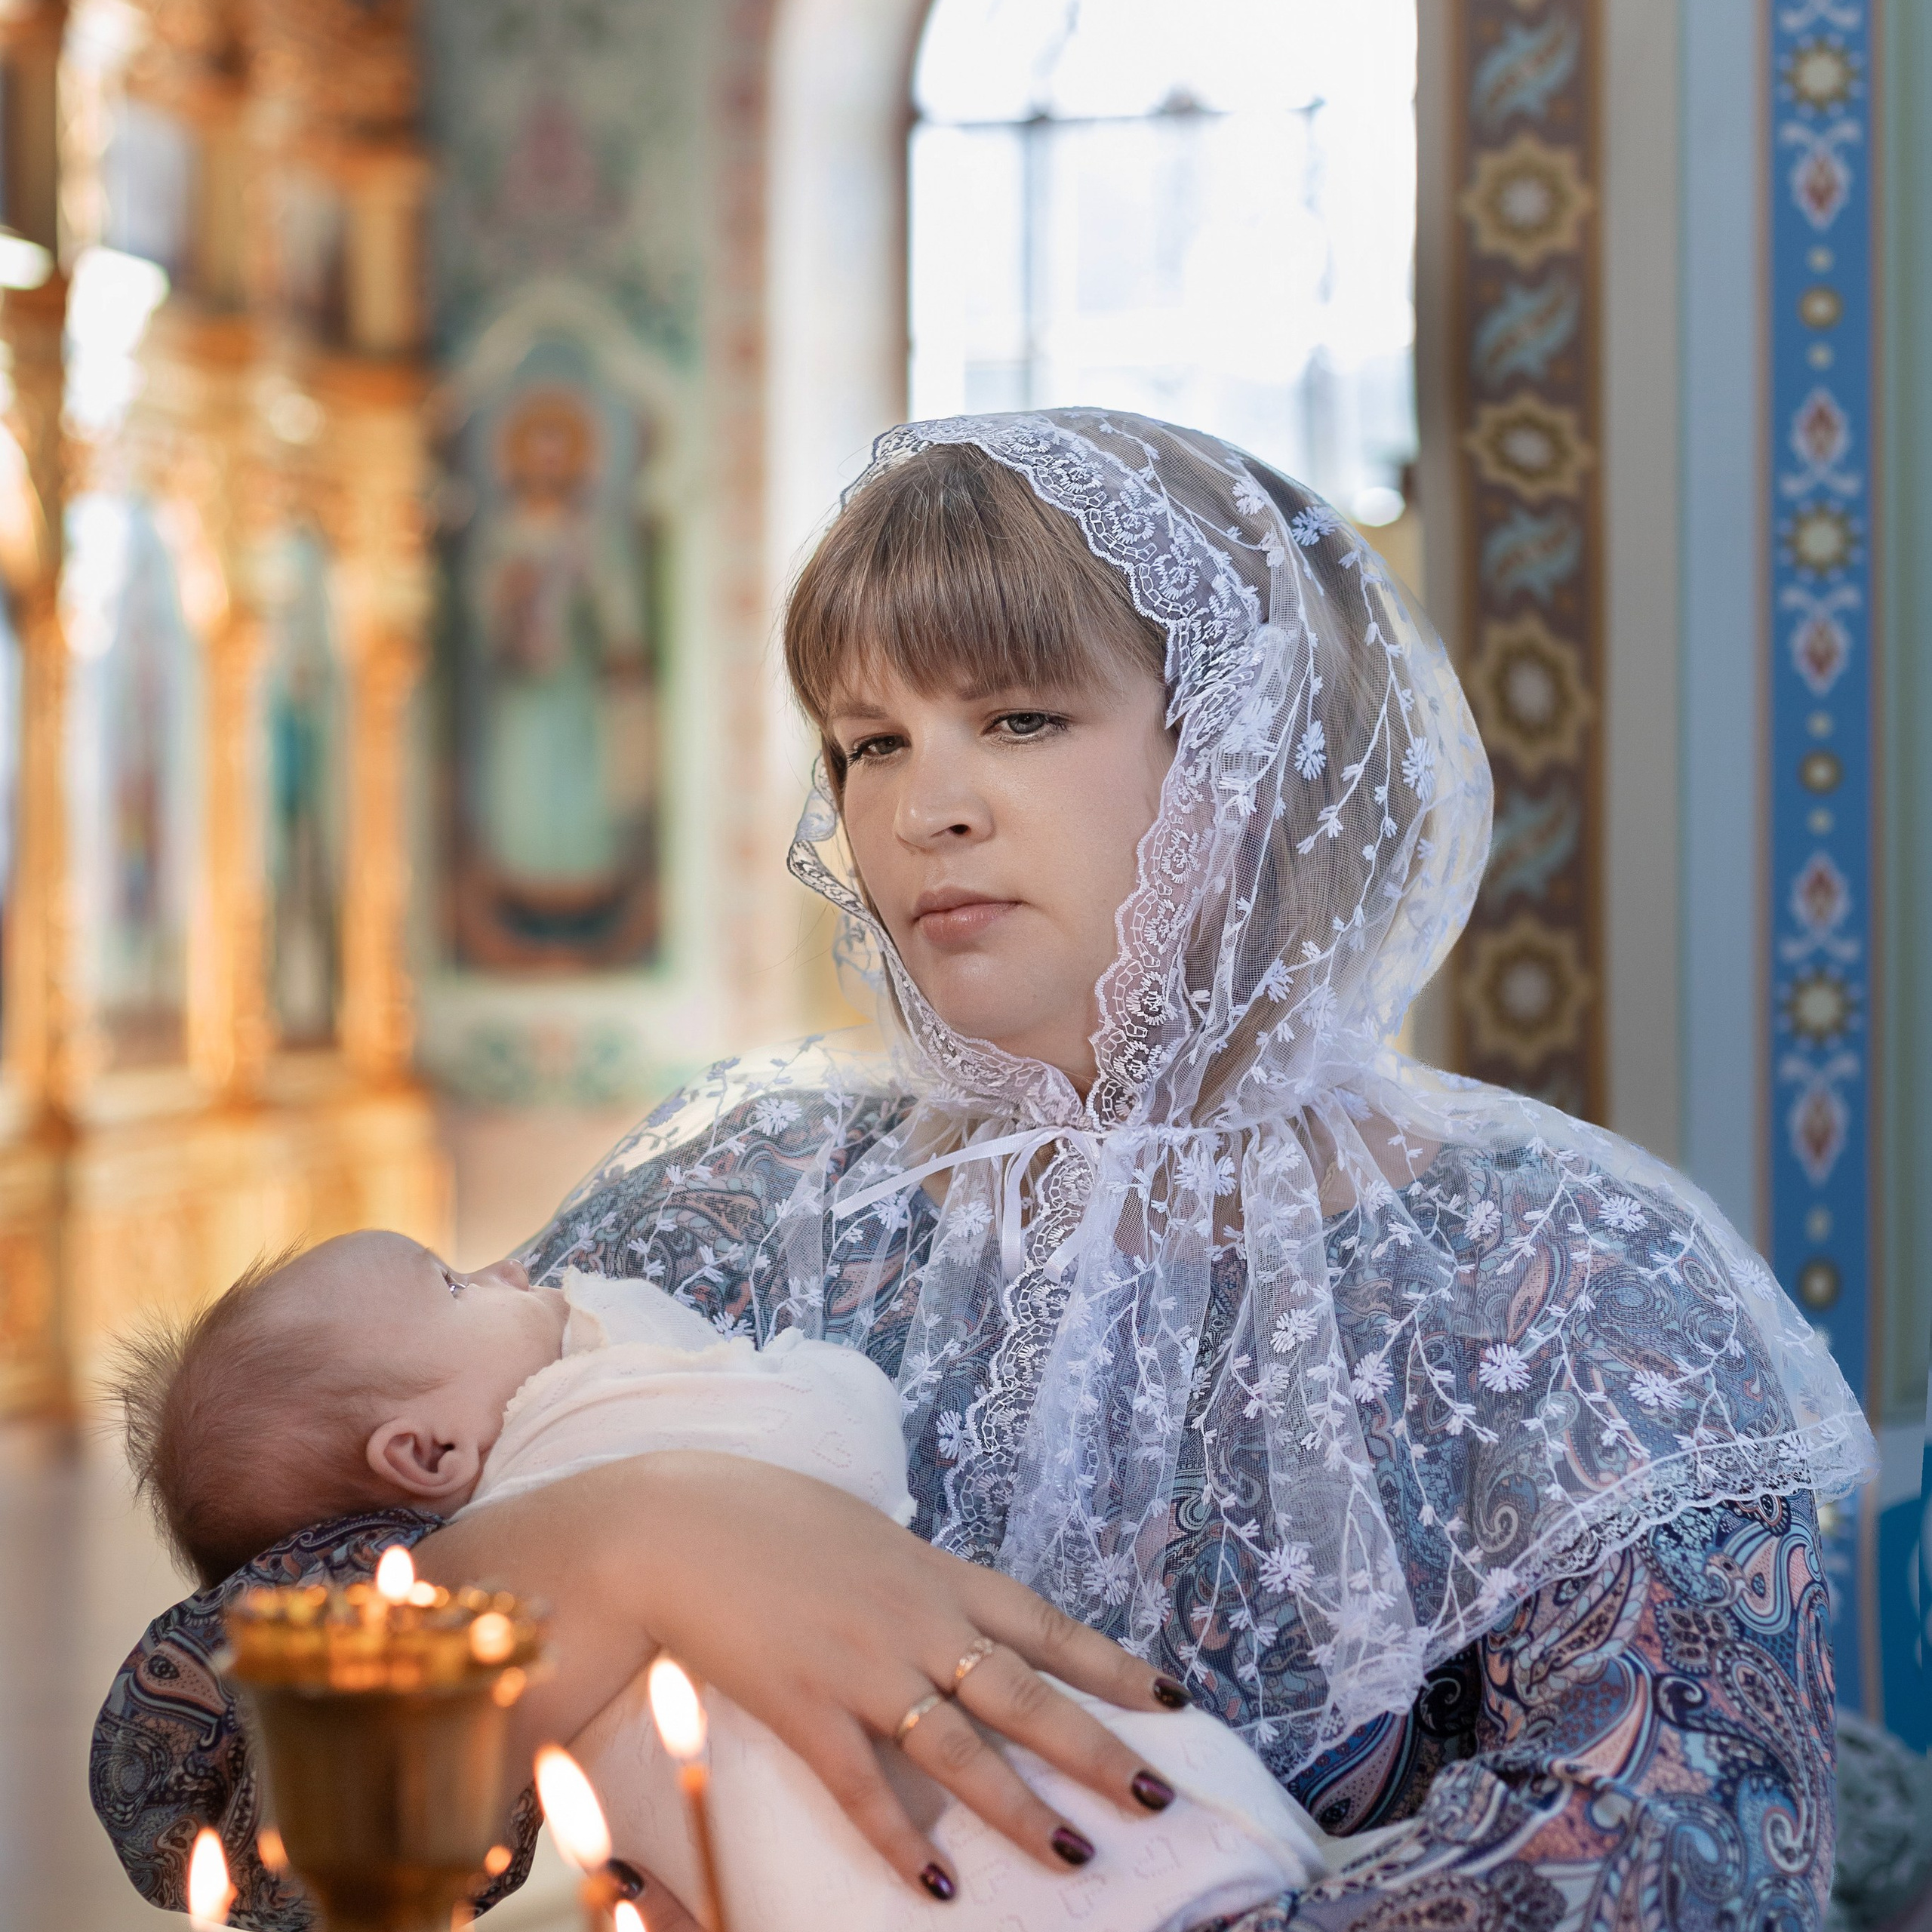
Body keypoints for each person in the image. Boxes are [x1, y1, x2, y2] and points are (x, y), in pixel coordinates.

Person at [94, 412, 1876, 1932]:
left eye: (1016, 717)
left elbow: (1684, 1859)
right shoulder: (735, 1192)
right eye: (868, 739)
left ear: (1249, 757)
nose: (917, 806)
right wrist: (624, 1539)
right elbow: (223, 1803)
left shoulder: (1565, 1260)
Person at [115, 1233, 1337, 1930]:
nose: (500, 1270)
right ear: (425, 1456)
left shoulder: (525, 1457)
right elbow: (834, 1435)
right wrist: (652, 1508)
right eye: (452, 1286)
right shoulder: (581, 1408)